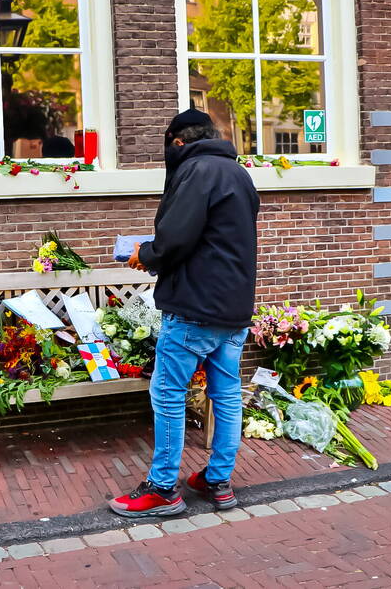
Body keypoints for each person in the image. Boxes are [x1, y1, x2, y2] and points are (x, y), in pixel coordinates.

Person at [109, 108, 259, 518]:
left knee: (168, 395)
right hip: (234, 309)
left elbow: (176, 238)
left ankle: (162, 489)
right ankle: (218, 480)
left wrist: (145, 254)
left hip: (194, 307)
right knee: (226, 396)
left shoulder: (196, 171)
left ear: (178, 143)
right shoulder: (238, 173)